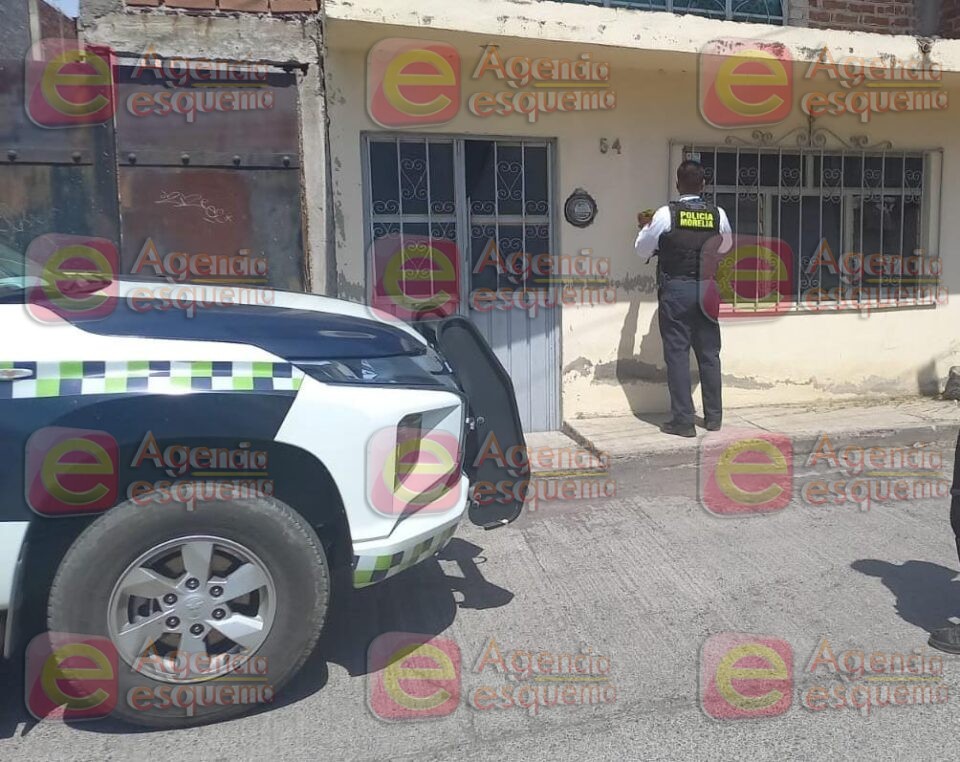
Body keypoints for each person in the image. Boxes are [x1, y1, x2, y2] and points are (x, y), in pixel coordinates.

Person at [634, 160, 732, 438]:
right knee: (709, 354)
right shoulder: (718, 214)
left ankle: (684, 422)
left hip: (677, 289)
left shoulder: (666, 215)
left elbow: (642, 250)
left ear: (678, 185)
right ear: (703, 185)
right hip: (708, 288)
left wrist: (645, 229)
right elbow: (726, 247)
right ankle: (714, 418)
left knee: (677, 355)